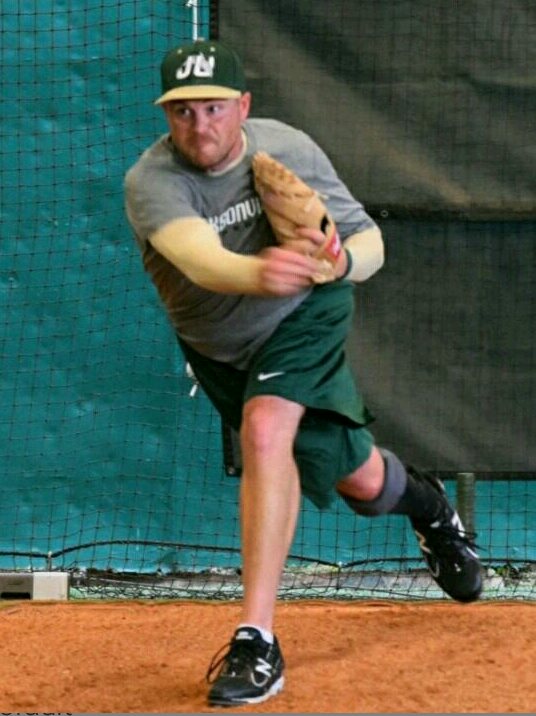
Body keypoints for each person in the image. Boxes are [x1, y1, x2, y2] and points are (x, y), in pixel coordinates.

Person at [125, 39, 482, 707]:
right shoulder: (153, 182)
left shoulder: (286, 148)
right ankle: (429, 507)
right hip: (223, 349)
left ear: (243, 106)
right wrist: (260, 271)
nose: (200, 126)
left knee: (265, 434)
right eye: (183, 112)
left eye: (214, 108)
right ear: (166, 117)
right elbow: (200, 262)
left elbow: (368, 243)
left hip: (303, 320)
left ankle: (256, 640)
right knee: (362, 481)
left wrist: (337, 264)